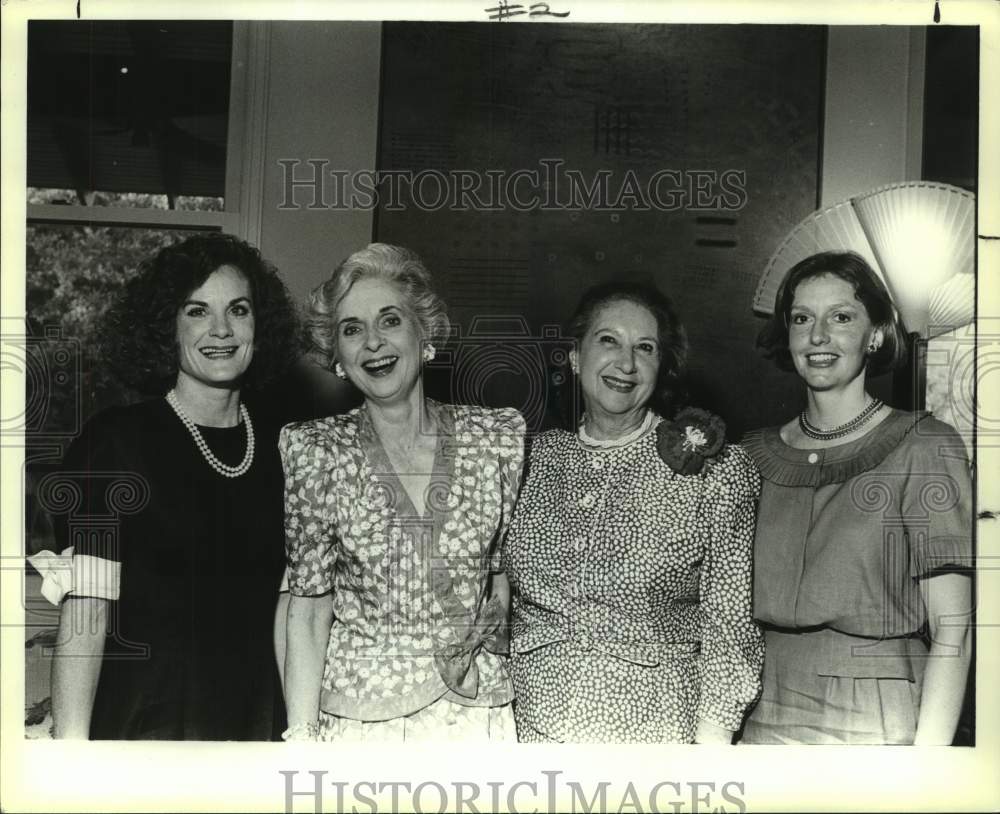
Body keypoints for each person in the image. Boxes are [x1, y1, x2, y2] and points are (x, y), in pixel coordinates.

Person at [39, 233, 299, 740]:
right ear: (167, 327)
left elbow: (295, 615)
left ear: (259, 326)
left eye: (238, 310)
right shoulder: (116, 444)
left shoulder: (288, 448)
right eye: (197, 311)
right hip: (144, 730)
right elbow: (87, 610)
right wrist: (69, 757)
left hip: (257, 729)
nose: (221, 330)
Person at [281, 243, 525, 742]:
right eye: (352, 329)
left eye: (389, 321)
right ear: (338, 356)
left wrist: (482, 643)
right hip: (362, 724)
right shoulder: (316, 451)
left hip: (474, 717)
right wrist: (301, 740)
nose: (372, 342)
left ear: (424, 332)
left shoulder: (495, 438)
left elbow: (500, 577)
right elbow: (306, 611)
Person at [502, 280, 763, 743]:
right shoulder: (527, 461)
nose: (626, 363)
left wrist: (713, 747)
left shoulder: (713, 469)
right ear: (575, 355)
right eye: (608, 341)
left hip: (654, 734)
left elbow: (729, 622)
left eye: (645, 348)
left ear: (660, 368)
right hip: (531, 729)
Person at [741, 251, 972, 745]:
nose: (818, 335)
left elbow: (955, 632)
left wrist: (929, 771)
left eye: (841, 317)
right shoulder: (751, 455)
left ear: (874, 335)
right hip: (761, 707)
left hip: (874, 714)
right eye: (802, 318)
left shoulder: (923, 445)